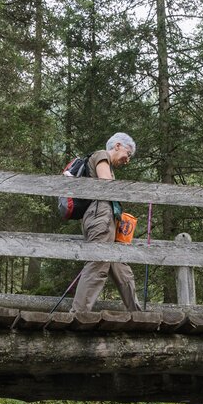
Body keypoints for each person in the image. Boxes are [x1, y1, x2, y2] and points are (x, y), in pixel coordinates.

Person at [70, 132, 142, 313]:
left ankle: (136, 313)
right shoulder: (102, 155)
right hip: (100, 215)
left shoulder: (106, 162)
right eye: (128, 153)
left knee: (119, 265)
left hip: (104, 218)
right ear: (117, 146)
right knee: (98, 262)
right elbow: (106, 186)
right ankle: (78, 313)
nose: (128, 160)